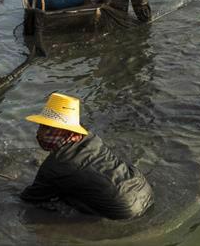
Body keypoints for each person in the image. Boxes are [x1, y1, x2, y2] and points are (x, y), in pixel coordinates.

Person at [20, 93, 154, 220]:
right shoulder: (91, 138)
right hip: (143, 189)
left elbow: (29, 198)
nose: (39, 133)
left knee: (64, 199)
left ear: (62, 132)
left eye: (45, 128)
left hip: (123, 210)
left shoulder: (55, 165)